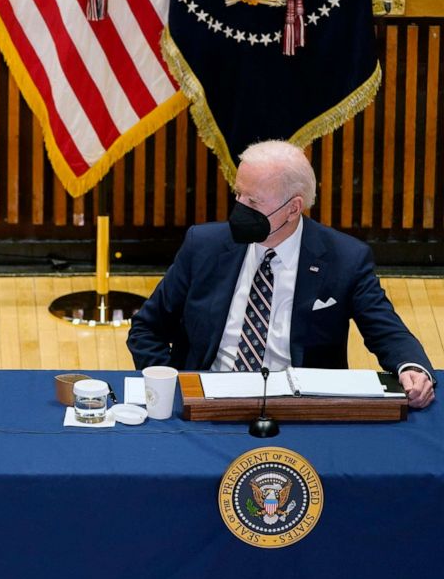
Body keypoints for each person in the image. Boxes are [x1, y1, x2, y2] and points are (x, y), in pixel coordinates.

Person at [127, 140, 435, 408]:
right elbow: (146, 328)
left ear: (293, 208)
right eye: (238, 195)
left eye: (253, 202)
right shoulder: (204, 245)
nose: (239, 208)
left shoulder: (345, 259)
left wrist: (413, 368)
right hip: (206, 400)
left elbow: (387, 331)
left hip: (301, 409)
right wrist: (172, 387)